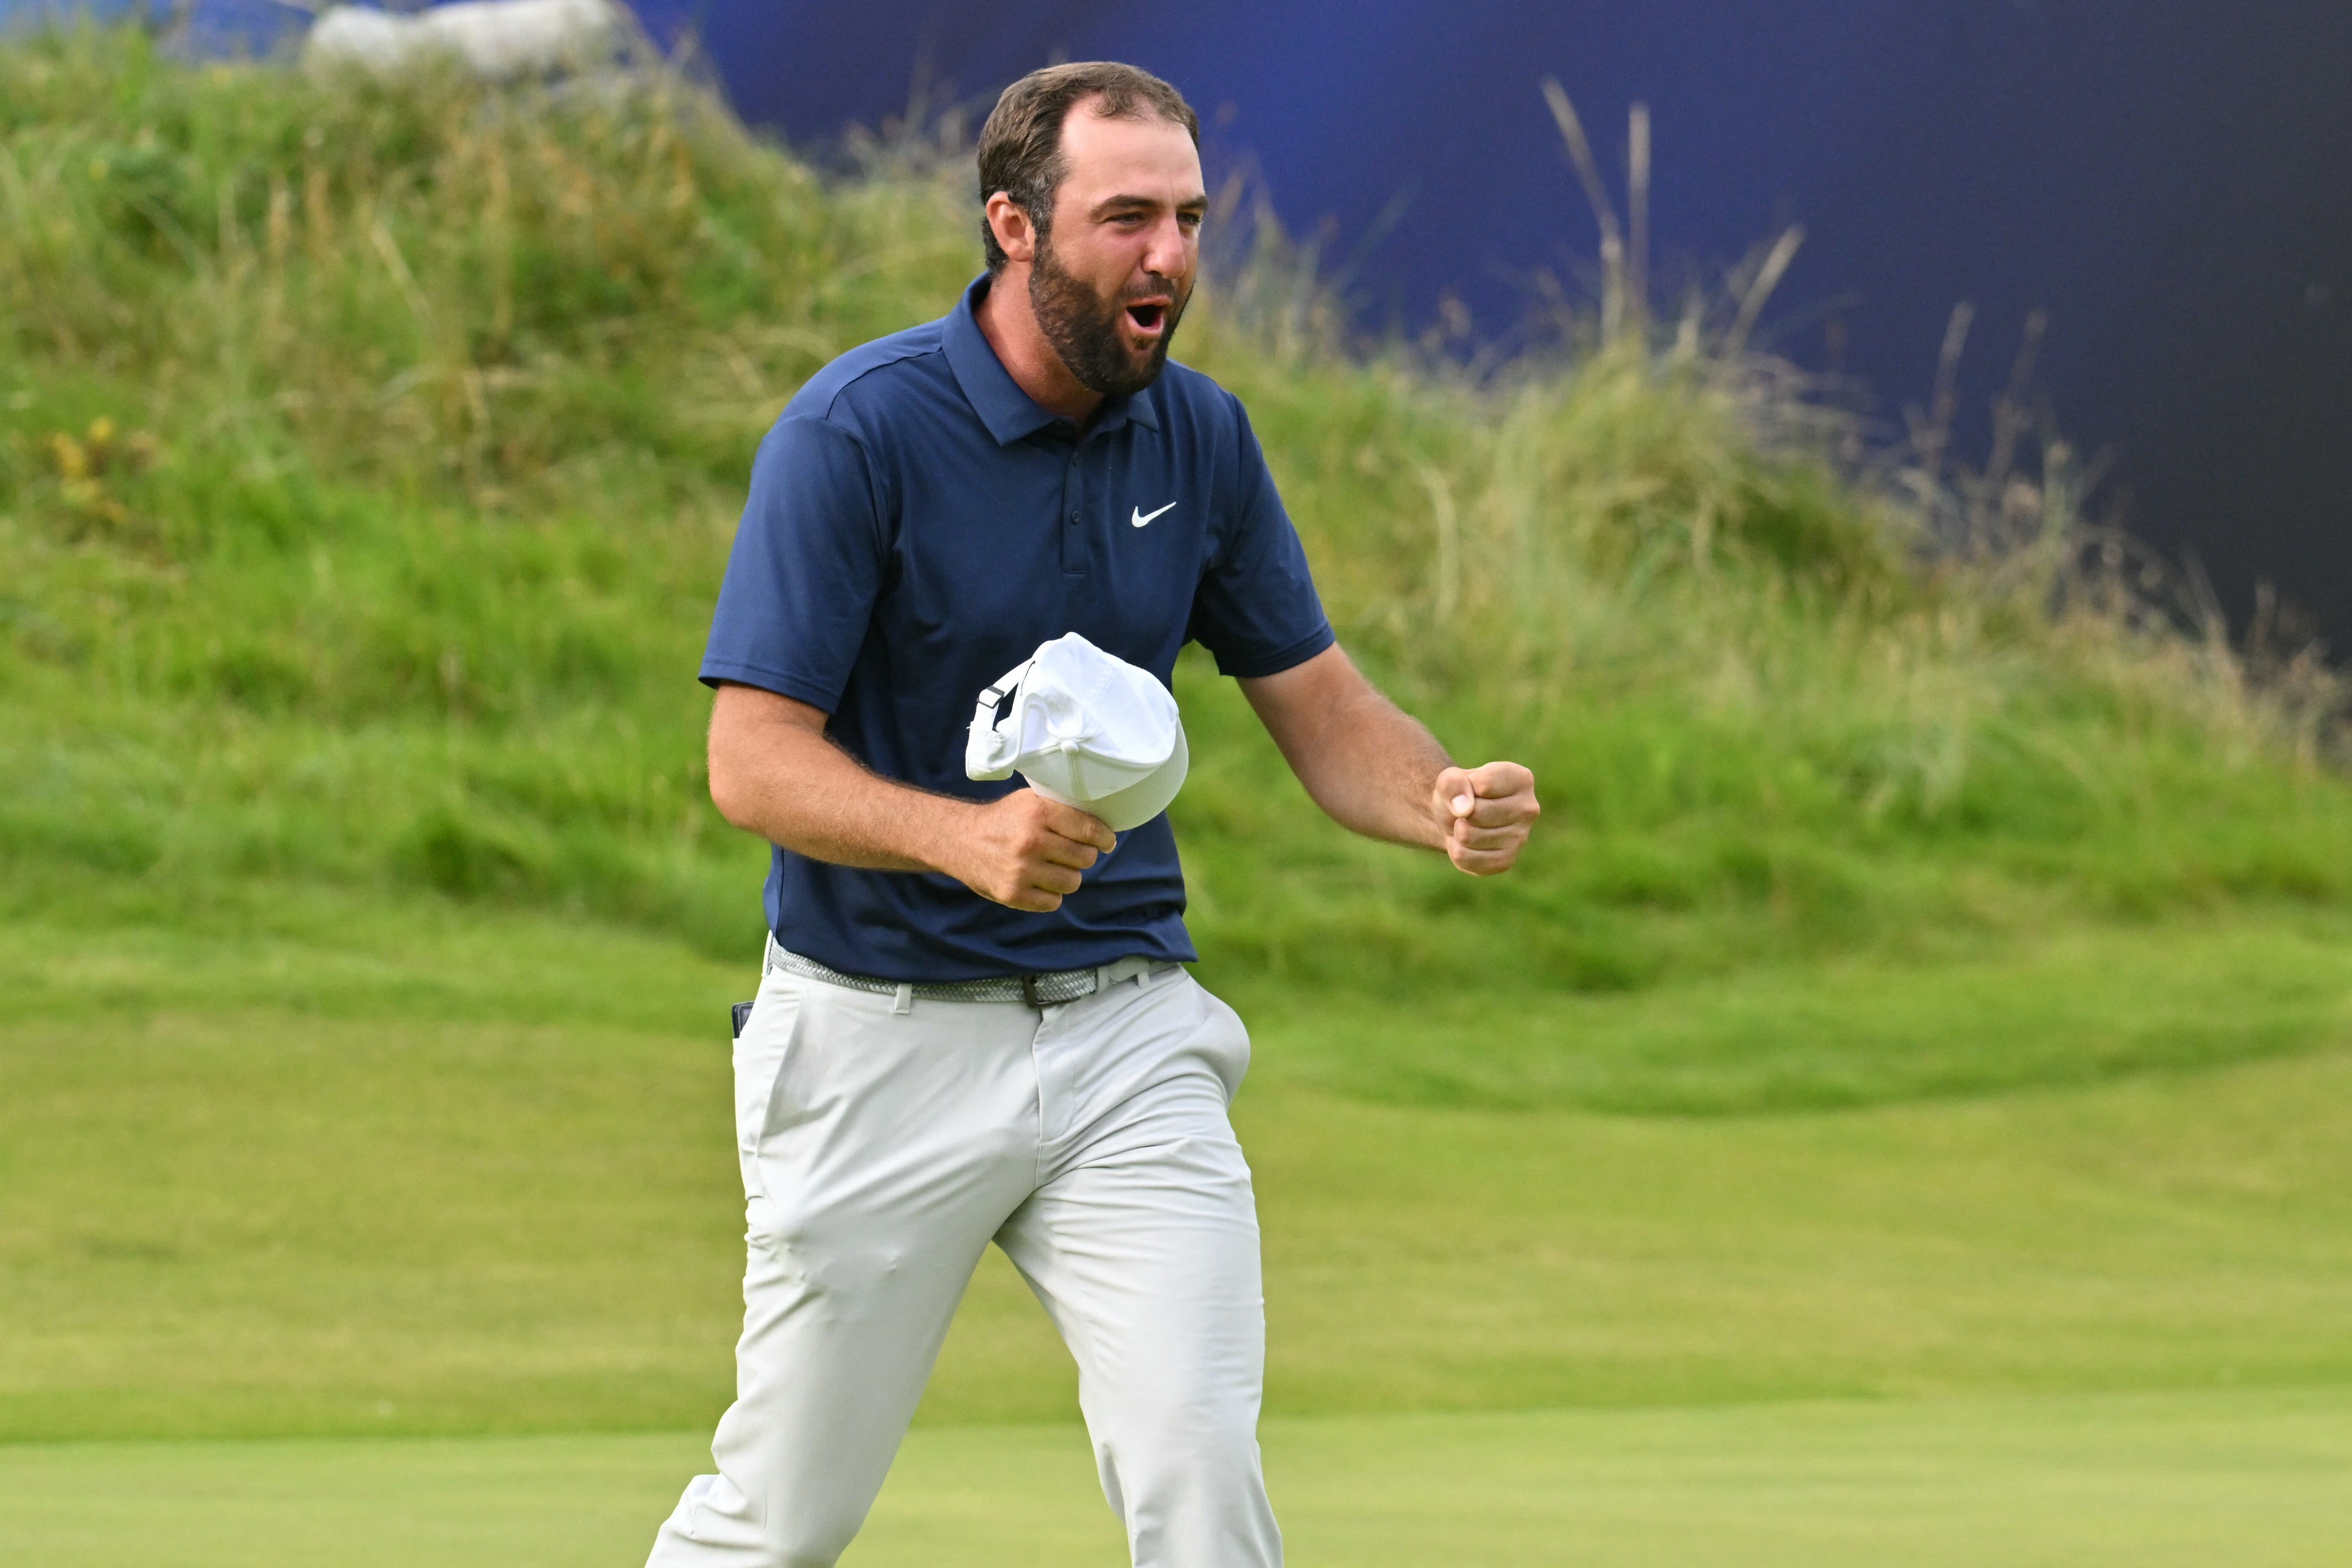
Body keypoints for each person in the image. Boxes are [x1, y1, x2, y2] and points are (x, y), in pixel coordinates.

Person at [646, 60, 1540, 1568]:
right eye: (1129, 217)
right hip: (879, 1038)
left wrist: (1436, 796)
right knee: (782, 1518)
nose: (1172, 257)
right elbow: (751, 761)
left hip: (1128, 1030)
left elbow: (1320, 705)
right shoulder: (855, 432)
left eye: (1190, 218)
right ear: (1015, 225)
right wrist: (959, 835)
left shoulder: (1200, 440)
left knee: (1198, 1468)